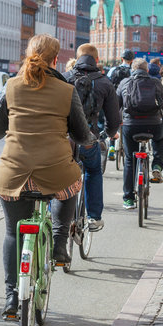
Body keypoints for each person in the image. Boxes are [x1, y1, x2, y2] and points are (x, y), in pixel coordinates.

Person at [0, 34, 94, 317]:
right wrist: (91, 139)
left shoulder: (11, 86)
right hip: (55, 171)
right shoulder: (66, 89)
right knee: (75, 182)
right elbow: (82, 134)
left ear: (28, 54)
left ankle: (11, 297)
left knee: (13, 231)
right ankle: (60, 242)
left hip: (13, 173)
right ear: (55, 60)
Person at [62, 43, 120, 235]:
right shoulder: (104, 82)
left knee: (60, 173)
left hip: (66, 139)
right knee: (93, 172)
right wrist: (108, 134)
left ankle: (55, 215)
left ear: (76, 58)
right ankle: (94, 216)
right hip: (89, 138)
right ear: (96, 59)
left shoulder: (65, 78)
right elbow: (114, 119)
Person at [117, 58, 163, 209]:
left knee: (130, 160)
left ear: (132, 69)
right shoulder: (155, 83)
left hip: (131, 125)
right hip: (153, 124)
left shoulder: (124, 83)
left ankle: (128, 198)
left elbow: (115, 106)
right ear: (147, 70)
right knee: (160, 139)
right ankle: (157, 164)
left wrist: (116, 124)